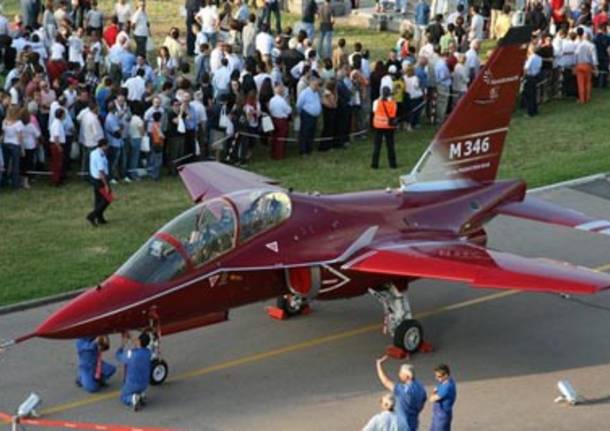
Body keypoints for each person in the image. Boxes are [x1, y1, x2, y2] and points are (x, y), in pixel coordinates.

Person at [375, 356, 427, 431]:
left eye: (401, 373)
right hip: (413, 423)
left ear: (407, 376)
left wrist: (378, 365)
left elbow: (385, 381)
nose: (399, 374)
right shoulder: (420, 386)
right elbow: (423, 401)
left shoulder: (403, 390)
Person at [115, 331, 152, 411]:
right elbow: (139, 345)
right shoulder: (148, 352)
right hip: (144, 383)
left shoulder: (131, 354)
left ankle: (133, 399)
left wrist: (123, 344)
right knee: (138, 389)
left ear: (139, 341)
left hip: (133, 383)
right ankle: (141, 395)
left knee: (123, 396)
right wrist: (131, 337)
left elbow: (118, 355)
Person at [371, 86, 397, 169]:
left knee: (377, 146)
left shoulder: (376, 102)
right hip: (389, 125)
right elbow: (394, 112)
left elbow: (374, 111)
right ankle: (392, 164)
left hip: (378, 125)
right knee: (390, 145)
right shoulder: (393, 103)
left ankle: (374, 164)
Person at [296, 73, 322, 155]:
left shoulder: (316, 93)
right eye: (316, 84)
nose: (317, 86)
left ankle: (309, 148)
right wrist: (301, 113)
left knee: (312, 132)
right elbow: (299, 105)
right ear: (311, 82)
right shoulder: (304, 93)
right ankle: (303, 150)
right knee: (305, 133)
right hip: (307, 115)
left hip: (314, 116)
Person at [87, 140, 111, 226]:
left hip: (94, 178)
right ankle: (92, 216)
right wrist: (106, 185)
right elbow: (101, 171)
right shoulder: (99, 156)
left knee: (98, 199)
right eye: (107, 145)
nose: (108, 147)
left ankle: (100, 218)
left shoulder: (94, 152)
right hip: (100, 180)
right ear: (103, 146)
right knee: (108, 199)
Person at [429, 364, 457, 431]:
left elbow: (431, 399)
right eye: (436, 376)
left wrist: (433, 392)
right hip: (442, 414)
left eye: (439, 376)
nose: (437, 378)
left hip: (441, 416)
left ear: (446, 375)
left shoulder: (446, 388)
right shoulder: (449, 381)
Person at [268, 82, 291, 160]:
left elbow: (270, 109)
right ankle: (279, 155)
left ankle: (273, 153)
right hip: (282, 120)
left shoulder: (271, 100)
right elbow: (288, 110)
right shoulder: (282, 101)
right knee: (281, 138)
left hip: (274, 119)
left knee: (274, 137)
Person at [575, 30, 598, 104]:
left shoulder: (578, 45)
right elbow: (594, 58)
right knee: (588, 82)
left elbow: (575, 55)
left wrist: (575, 65)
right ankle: (587, 98)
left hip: (579, 64)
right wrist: (595, 68)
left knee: (580, 83)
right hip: (587, 65)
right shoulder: (592, 45)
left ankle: (582, 99)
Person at [523, 44, 542, 117]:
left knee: (529, 95)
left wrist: (523, 77)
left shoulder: (531, 58)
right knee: (534, 94)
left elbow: (526, 68)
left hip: (529, 76)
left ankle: (530, 112)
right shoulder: (539, 58)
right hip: (535, 76)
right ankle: (535, 110)